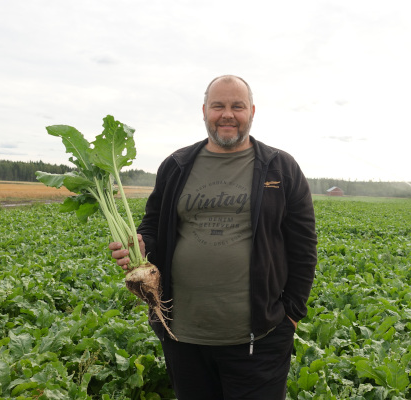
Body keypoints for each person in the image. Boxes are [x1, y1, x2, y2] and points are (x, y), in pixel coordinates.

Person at [109, 75, 317, 399]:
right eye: (218, 106)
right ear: (204, 110)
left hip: (259, 340)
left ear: (252, 112)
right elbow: (152, 226)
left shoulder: (280, 168)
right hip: (182, 336)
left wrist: (291, 315)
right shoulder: (177, 165)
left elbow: (303, 247)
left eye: (237, 106)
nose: (227, 114)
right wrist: (140, 246)